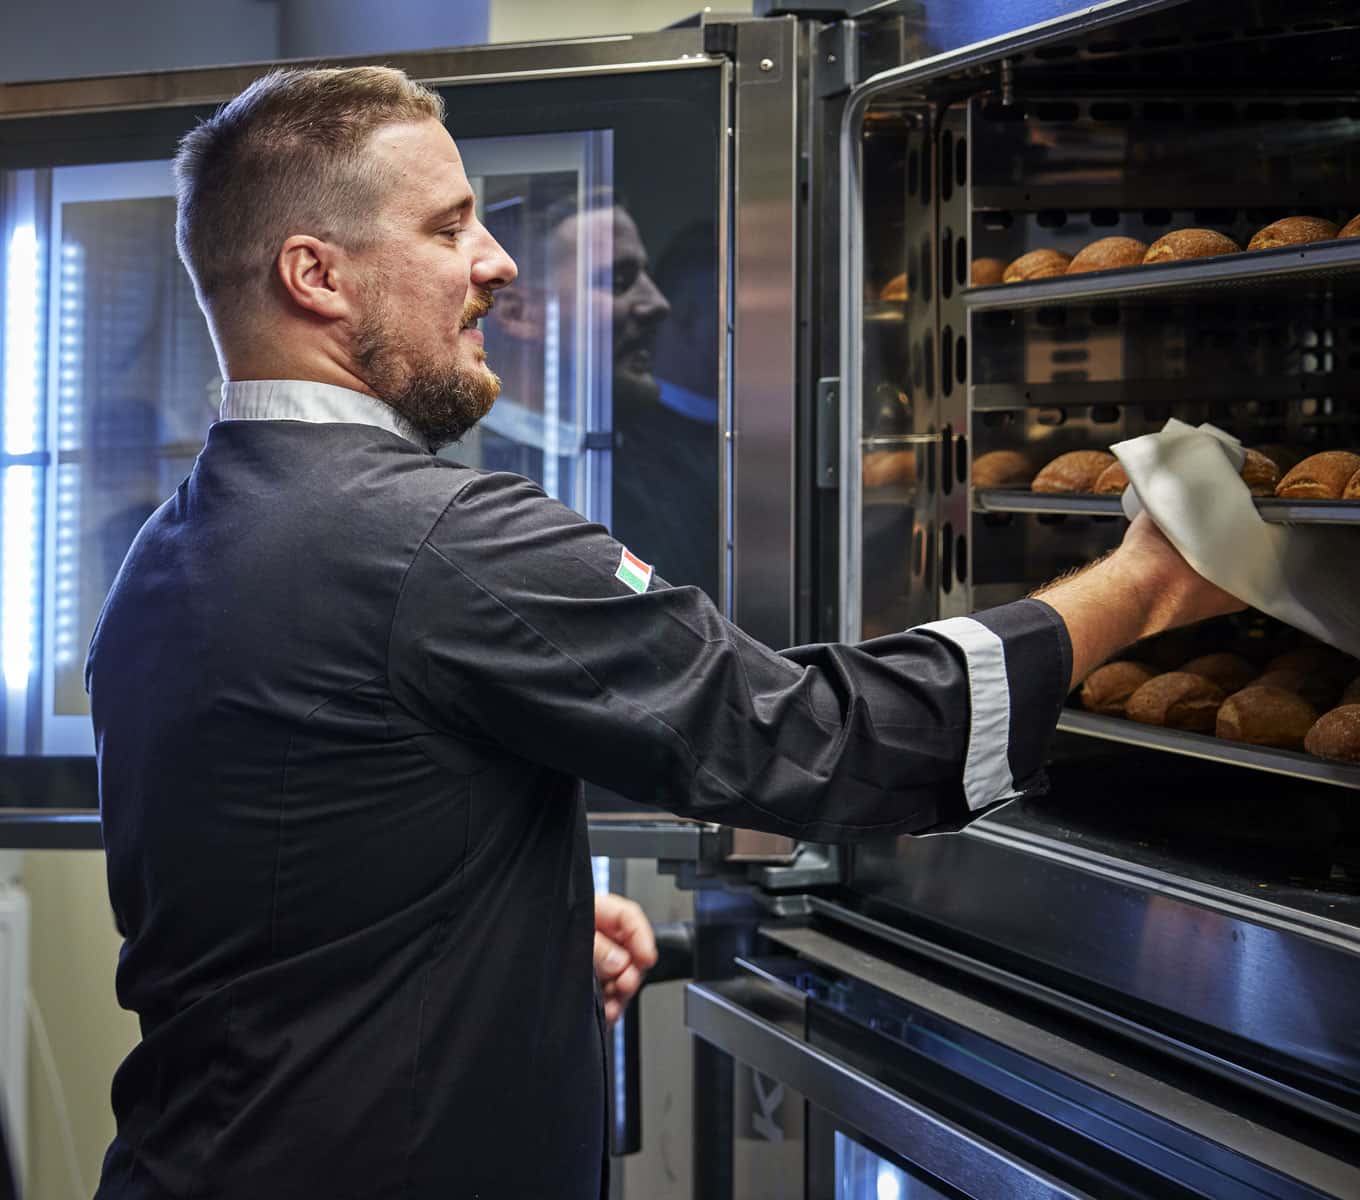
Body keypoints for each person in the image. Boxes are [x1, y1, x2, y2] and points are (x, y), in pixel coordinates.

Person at [85, 66, 1240, 1200]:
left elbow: (275, 866)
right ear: (315, 275)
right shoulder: (437, 539)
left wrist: (510, 931)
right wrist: (1143, 583)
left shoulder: (169, 548)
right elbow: (822, 735)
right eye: (449, 228)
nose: (492, 264)